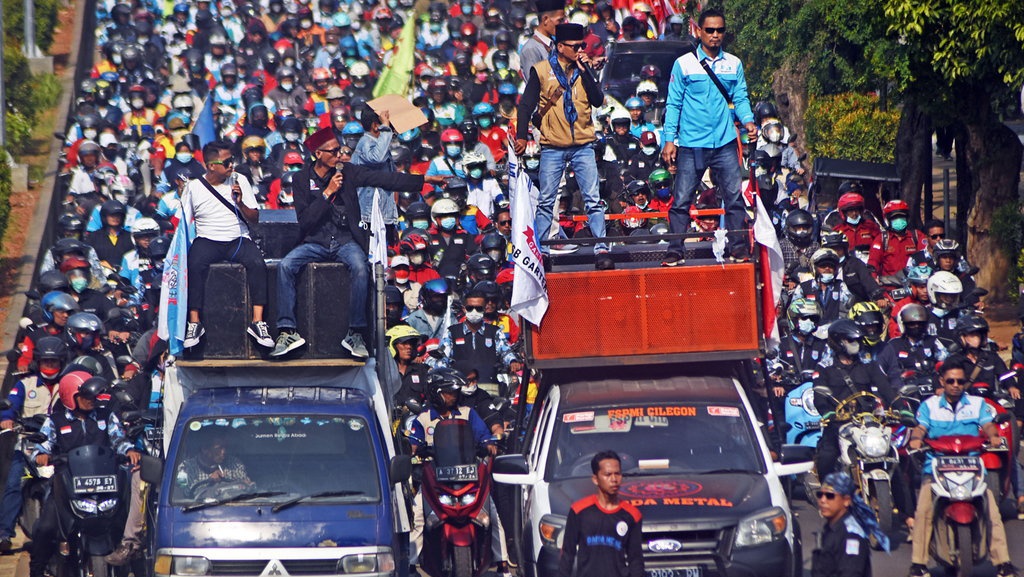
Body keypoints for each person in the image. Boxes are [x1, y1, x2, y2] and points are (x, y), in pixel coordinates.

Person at [270, 127, 448, 359]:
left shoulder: (348, 172)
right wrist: (328, 192)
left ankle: (355, 333)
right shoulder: (301, 179)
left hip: (345, 240)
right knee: (286, 266)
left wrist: (425, 179)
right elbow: (305, 221)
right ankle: (287, 330)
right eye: (333, 151)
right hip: (316, 241)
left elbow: (385, 179)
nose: (339, 155)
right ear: (318, 154)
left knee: (360, 267)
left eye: (340, 150)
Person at [660, 8, 757, 266]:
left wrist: (748, 122)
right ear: (699, 31)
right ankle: (675, 250)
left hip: (724, 142)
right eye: (710, 30)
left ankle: (737, 248)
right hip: (692, 143)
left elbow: (741, 98)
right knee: (681, 200)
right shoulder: (684, 64)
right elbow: (673, 104)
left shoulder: (733, 63)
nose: (715, 35)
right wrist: (669, 140)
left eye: (720, 30)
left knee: (734, 198)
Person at [906, 355, 1016, 577]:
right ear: (941, 381)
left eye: (960, 382)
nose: (956, 386)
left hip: (972, 466)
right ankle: (918, 564)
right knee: (924, 510)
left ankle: (1003, 563)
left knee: (991, 511)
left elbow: (988, 426)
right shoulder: (929, 406)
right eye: (951, 381)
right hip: (936, 467)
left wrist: (993, 437)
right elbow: (920, 428)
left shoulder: (977, 404)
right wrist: (916, 439)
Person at [29, 372, 140, 577]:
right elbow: (40, 447)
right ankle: (36, 571)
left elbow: (118, 439)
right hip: (66, 486)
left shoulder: (106, 416)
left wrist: (129, 450)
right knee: (44, 528)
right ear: (70, 397)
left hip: (105, 487)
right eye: (86, 396)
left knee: (128, 525)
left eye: (94, 396)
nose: (92, 400)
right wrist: (41, 455)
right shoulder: (55, 421)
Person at [515, 22, 608, 257]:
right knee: (546, 200)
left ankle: (601, 248)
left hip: (583, 145)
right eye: (574, 46)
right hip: (553, 147)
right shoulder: (542, 70)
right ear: (559, 46)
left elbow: (597, 100)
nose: (579, 50)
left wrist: (586, 71)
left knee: (593, 200)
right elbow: (526, 105)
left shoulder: (583, 70)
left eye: (581, 46)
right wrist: (521, 136)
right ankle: (542, 250)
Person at [181, 140, 272, 350]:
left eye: (233, 160)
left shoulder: (239, 179)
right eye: (227, 161)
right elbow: (184, 222)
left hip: (237, 239)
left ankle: (258, 321)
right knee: (194, 265)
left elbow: (255, 217)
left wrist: (239, 202)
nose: (232, 165)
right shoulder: (194, 187)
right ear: (211, 165)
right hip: (208, 239)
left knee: (258, 264)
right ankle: (194, 322)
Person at [813, 319, 893, 478]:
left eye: (858, 340)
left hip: (868, 423)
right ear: (838, 342)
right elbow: (819, 396)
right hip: (838, 423)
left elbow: (885, 388)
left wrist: (902, 408)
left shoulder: (868, 364)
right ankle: (827, 494)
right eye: (851, 340)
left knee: (894, 458)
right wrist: (828, 413)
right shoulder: (824, 367)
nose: (856, 344)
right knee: (827, 457)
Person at [558, 450, 643, 577]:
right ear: (595, 479)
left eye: (617, 474)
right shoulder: (579, 511)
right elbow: (567, 554)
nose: (614, 479)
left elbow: (635, 559)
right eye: (607, 475)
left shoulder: (632, 515)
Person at [436, 291, 522, 391]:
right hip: (461, 387)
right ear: (464, 309)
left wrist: (512, 361)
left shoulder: (495, 331)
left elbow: (505, 351)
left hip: (489, 387)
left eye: (479, 308)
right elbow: (443, 357)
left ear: (485, 309)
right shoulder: (452, 332)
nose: (474, 311)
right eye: (470, 308)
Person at [810, 472, 880, 577]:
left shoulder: (852, 536)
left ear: (846, 500)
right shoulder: (830, 527)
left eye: (830, 496)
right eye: (820, 495)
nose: (823, 500)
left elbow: (850, 572)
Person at [174, 434, 253, 499]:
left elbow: (246, 484)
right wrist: (209, 480)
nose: (224, 452)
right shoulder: (186, 467)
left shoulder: (234, 463)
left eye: (225, 447)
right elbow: (186, 492)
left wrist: (225, 479)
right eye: (219, 448)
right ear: (205, 449)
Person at [518, 0, 566, 80]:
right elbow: (534, 84)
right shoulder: (531, 49)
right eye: (560, 21)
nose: (562, 24)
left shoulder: (554, 44)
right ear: (545, 19)